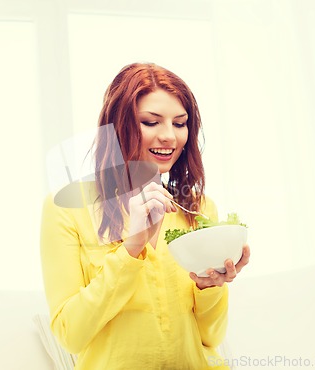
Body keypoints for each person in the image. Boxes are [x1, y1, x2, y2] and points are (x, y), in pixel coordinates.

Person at [40, 62, 250, 369]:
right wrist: (131, 249)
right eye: (151, 122)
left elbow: (211, 335)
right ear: (117, 126)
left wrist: (210, 286)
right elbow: (70, 334)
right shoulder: (66, 209)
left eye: (180, 124)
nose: (170, 137)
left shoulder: (199, 208)